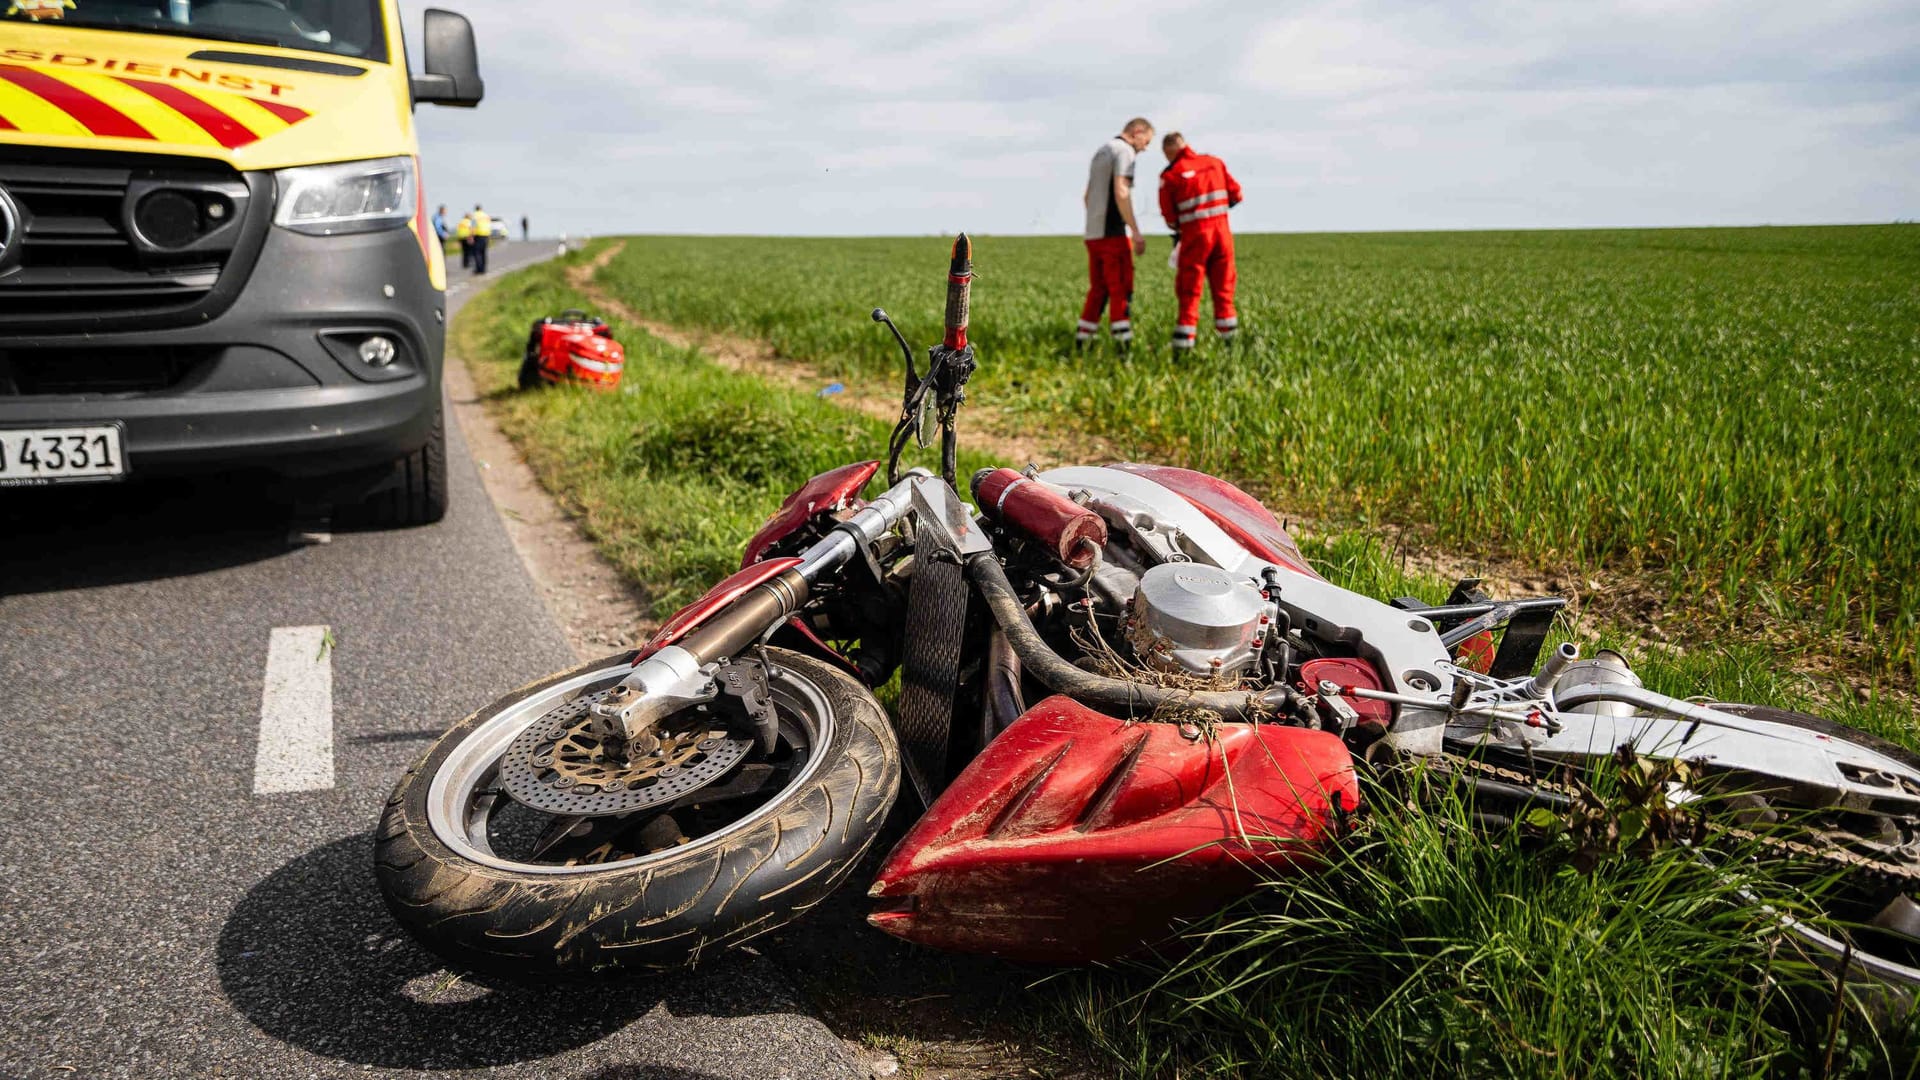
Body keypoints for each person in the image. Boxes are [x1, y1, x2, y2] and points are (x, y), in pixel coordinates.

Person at [1157, 132, 1242, 351]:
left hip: (1195, 238)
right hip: (1223, 236)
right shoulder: (1215, 163)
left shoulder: (1170, 175)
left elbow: (1169, 217)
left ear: (1169, 152)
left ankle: (1184, 349)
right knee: (1224, 291)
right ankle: (1231, 346)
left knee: (1189, 292)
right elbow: (1236, 194)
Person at [1074, 117, 1154, 351]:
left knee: (1098, 290)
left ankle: (1083, 344)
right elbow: (1121, 191)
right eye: (1145, 141)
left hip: (1093, 234)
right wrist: (1136, 231)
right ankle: (1123, 350)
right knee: (1121, 289)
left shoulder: (1101, 151)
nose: (1145, 147)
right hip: (1113, 235)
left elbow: (1087, 197)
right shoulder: (1124, 151)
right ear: (1137, 132)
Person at [470, 203, 492, 273]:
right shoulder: (486, 215)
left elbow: (473, 226)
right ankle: (483, 269)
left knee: (477, 253)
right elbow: (489, 225)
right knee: (483, 253)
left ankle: (478, 269)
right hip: (486, 235)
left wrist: (471, 236)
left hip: (478, 235)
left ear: (475, 209)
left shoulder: (474, 215)